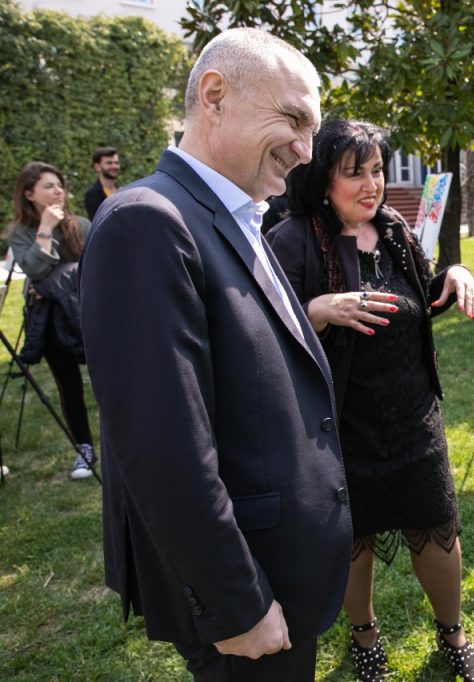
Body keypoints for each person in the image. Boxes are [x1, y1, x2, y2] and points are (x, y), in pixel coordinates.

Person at [79, 28, 351, 680]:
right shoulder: (147, 221)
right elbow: (163, 449)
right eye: (292, 119)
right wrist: (236, 605)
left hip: (282, 577)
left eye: (313, 129)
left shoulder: (233, 215)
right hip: (249, 601)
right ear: (214, 95)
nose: (305, 150)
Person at [267, 119, 474, 682]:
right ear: (321, 180)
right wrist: (319, 310)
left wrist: (455, 273)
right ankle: (364, 637)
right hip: (338, 424)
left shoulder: (391, 229)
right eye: (354, 173)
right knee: (353, 537)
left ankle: (453, 634)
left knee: (437, 525)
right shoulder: (291, 240)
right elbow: (262, 329)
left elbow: (416, 299)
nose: (372, 186)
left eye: (377, 171)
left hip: (413, 415)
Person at [6, 161, 96, 480]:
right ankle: (84, 448)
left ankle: (122, 441)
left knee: (105, 378)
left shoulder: (81, 225)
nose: (58, 191)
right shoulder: (20, 233)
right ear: (29, 194)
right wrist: (45, 226)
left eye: (60, 185)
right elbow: (34, 270)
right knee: (68, 386)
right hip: (50, 322)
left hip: (86, 313)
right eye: (49, 186)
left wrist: (57, 283)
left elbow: (93, 270)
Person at [84, 146, 119, 219]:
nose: (114, 166)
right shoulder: (92, 195)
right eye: (109, 163)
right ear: (97, 167)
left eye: (116, 163)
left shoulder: (123, 190)